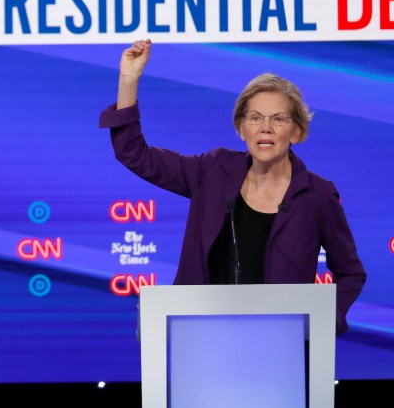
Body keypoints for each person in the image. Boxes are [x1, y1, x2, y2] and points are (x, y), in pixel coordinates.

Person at [99, 39, 365, 336]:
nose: (265, 127)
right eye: (255, 118)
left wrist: (323, 321)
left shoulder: (318, 195)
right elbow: (134, 154)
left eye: (278, 119)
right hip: (201, 338)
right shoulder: (212, 171)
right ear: (242, 129)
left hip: (281, 345)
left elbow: (351, 273)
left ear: (297, 132)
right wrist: (128, 80)